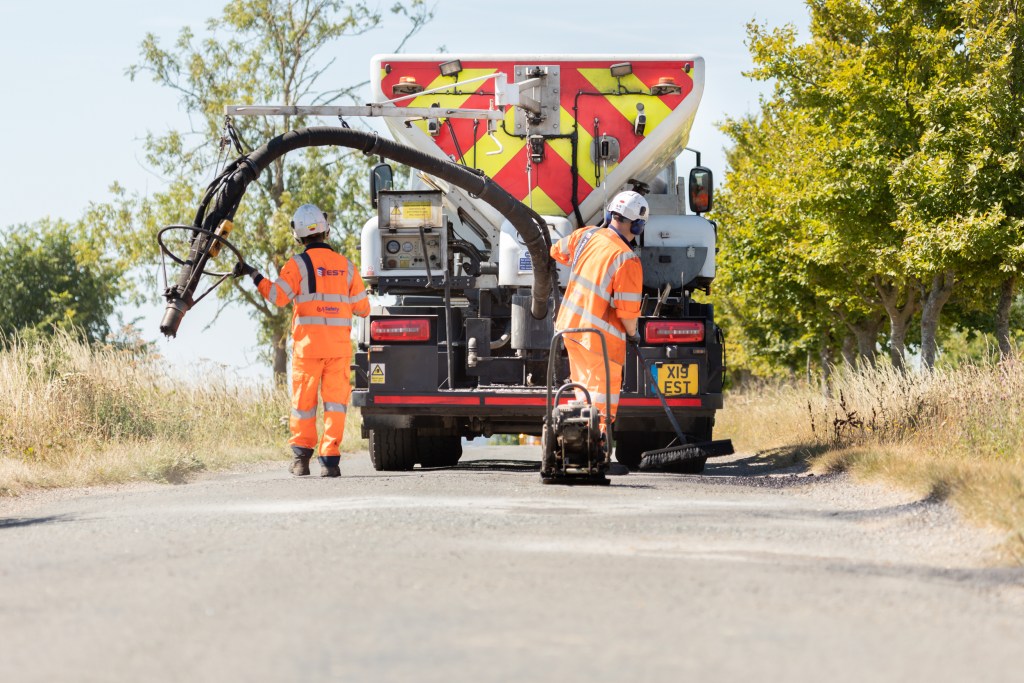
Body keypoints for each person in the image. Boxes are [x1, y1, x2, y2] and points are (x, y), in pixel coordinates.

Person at [234, 204, 370, 477]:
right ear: (326, 229)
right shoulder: (346, 266)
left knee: (304, 405)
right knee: (335, 405)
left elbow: (278, 297)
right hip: (339, 349)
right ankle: (330, 461)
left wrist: (254, 274)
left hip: (308, 349)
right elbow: (363, 308)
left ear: (298, 236)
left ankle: (301, 460)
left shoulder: (296, 266)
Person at [549, 190, 646, 443]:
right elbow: (627, 312)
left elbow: (556, 251)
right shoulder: (627, 259)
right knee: (602, 396)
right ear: (638, 225)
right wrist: (634, 334)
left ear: (610, 214)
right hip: (599, 339)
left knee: (583, 391)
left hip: (569, 329)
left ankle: (578, 443)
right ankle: (598, 446)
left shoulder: (585, 235)